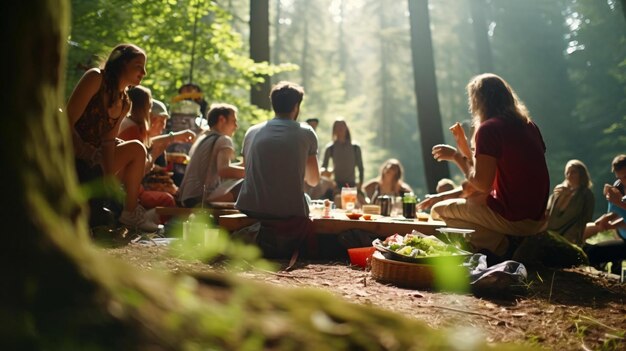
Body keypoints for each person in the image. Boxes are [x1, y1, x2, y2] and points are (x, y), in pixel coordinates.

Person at [417, 73, 550, 262]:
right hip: (537, 217)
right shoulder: (530, 126)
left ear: (478, 101)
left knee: (438, 211)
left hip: (513, 217)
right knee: (470, 201)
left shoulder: (489, 129)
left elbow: (481, 184)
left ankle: (501, 247)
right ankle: (509, 244)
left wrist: (456, 156)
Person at [67, 43, 159, 231]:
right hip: (70, 154)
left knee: (136, 149)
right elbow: (66, 121)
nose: (144, 72)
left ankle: (129, 213)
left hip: (94, 159)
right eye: (138, 66)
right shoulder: (95, 78)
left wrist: (108, 179)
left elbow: (108, 142)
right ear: (122, 64)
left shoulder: (125, 102)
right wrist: (86, 152)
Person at [235, 81, 320, 258]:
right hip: (288, 211)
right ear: (296, 106)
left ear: (273, 104)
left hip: (250, 207)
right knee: (306, 198)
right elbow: (313, 180)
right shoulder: (306, 132)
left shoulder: (252, 131)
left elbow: (246, 171)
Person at [177, 103, 244, 207]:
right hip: (202, 199)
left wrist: (244, 165)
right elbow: (224, 170)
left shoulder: (202, 138)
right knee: (248, 183)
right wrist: (253, 172)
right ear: (222, 119)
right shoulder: (224, 139)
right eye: (234, 121)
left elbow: (219, 168)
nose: (236, 126)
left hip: (187, 198)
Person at [582, 155, 626, 274]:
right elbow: (620, 213)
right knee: (591, 252)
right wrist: (608, 219)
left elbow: (621, 205)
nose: (623, 181)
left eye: (625, 177)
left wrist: (619, 201)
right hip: (623, 237)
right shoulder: (619, 186)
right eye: (620, 177)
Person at [545, 159, 594, 245]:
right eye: (567, 173)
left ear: (581, 174)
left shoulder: (586, 194)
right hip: (551, 233)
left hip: (571, 236)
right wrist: (563, 196)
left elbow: (587, 217)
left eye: (573, 172)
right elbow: (550, 213)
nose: (569, 175)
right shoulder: (559, 191)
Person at [320, 119, 364, 194]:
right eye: (337, 126)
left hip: (352, 184)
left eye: (342, 126)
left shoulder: (355, 147)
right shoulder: (330, 148)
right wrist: (328, 172)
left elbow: (360, 167)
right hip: (336, 186)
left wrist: (360, 183)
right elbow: (324, 167)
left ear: (346, 128)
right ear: (334, 130)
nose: (340, 128)